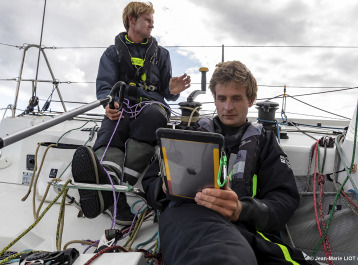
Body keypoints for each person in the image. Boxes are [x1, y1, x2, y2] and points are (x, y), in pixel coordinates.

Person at [142, 61, 318, 264]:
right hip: (188, 217)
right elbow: (150, 180)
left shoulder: (264, 143)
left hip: (242, 228)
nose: (228, 107)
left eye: (236, 98)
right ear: (215, 100)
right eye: (222, 98)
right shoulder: (187, 136)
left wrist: (241, 209)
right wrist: (164, 186)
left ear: (251, 100)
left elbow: (284, 199)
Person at [71, 1, 191, 225]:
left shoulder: (162, 54)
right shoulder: (112, 53)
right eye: (148, 20)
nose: (152, 26)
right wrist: (110, 104)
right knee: (113, 123)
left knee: (153, 117)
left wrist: (172, 90)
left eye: (152, 22)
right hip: (122, 104)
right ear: (132, 20)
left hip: (151, 106)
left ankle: (112, 189)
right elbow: (105, 86)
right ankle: (113, 189)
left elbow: (167, 90)